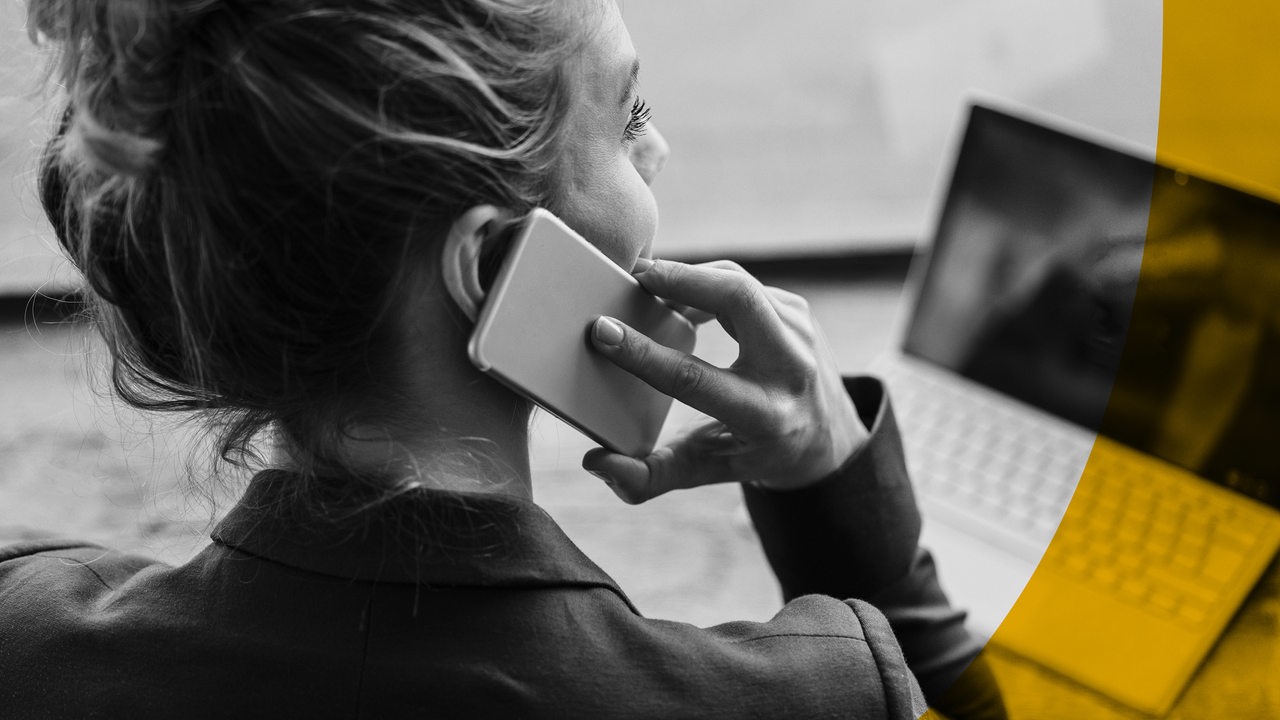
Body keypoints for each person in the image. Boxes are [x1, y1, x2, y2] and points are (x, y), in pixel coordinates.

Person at [1, 1, 1005, 718]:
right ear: (488, 264)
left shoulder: (24, 637)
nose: (657, 155)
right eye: (628, 117)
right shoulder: (813, 695)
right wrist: (835, 488)